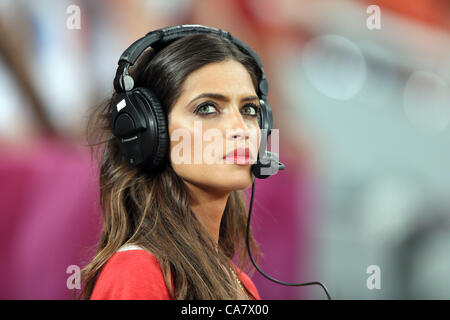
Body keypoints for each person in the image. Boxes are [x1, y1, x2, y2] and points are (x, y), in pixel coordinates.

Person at [80, 26, 268, 300]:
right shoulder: (137, 273)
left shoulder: (239, 283)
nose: (241, 128)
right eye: (207, 108)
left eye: (249, 110)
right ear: (150, 132)